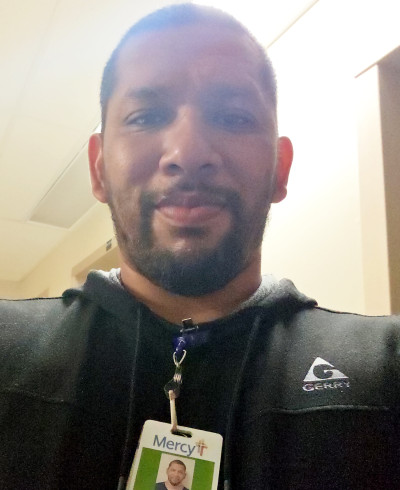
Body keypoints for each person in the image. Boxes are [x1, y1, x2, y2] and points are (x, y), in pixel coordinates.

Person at [0, 3, 399, 489]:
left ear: (280, 168)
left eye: (233, 117)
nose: (188, 153)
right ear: (98, 168)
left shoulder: (388, 367)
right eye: (146, 116)